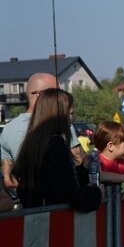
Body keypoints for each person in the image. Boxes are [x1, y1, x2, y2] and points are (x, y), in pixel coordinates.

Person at [11, 88, 103, 247]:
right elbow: (70, 194)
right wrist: (95, 193)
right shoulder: (56, 146)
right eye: (70, 113)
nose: (72, 119)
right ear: (58, 114)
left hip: (35, 230)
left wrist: (80, 171)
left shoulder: (32, 144)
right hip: (58, 233)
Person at [1, 73, 85, 201]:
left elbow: (8, 180)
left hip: (29, 207)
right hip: (61, 207)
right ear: (41, 95)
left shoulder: (7, 129)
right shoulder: (59, 125)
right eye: (56, 92)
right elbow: (79, 162)